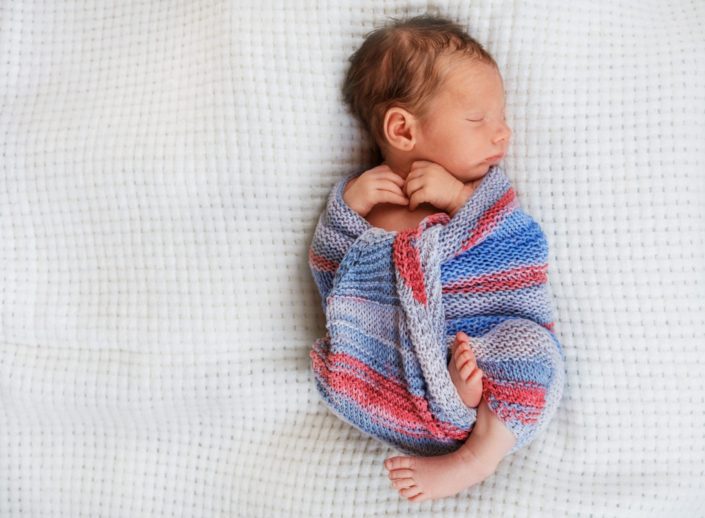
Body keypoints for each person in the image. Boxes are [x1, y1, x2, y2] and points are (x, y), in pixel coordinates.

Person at [312, 14, 559, 502]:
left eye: (502, 116)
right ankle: (445, 399)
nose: (502, 133)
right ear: (403, 129)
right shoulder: (369, 204)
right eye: (478, 119)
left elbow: (519, 247)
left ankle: (476, 454)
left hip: (483, 340)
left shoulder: (480, 197)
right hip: (401, 373)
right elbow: (331, 275)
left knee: (533, 354)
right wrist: (350, 208)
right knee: (341, 365)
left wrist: (460, 201)